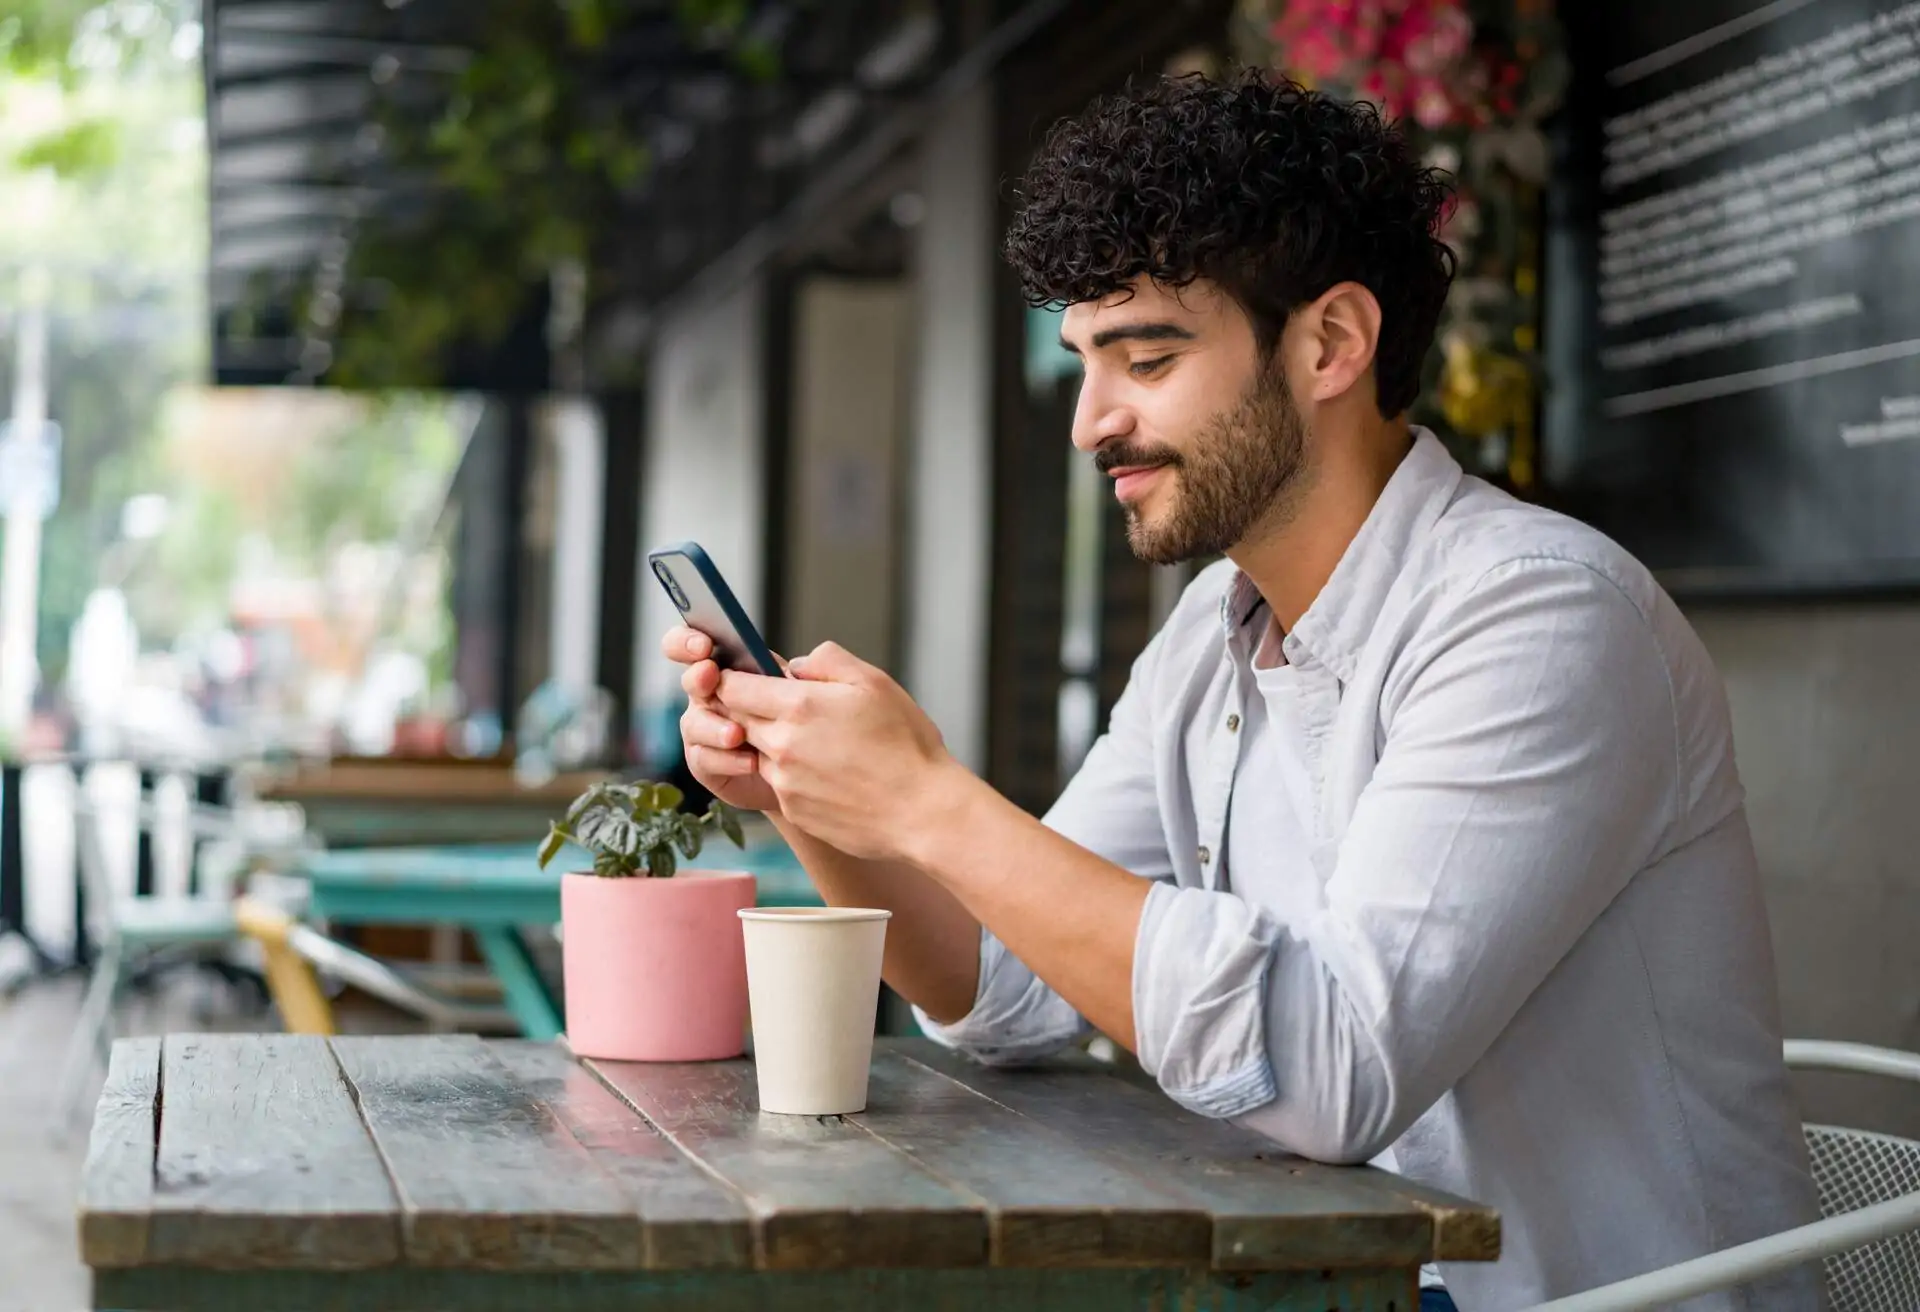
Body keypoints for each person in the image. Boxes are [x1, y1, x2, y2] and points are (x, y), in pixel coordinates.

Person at [665, 72, 1822, 1309]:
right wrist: (816, 786)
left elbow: (1333, 1069)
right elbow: (1002, 990)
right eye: (1083, 364)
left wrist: (931, 801)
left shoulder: (1539, 615)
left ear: (1330, 343)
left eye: (1146, 358)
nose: (1090, 422)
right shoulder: (1211, 634)